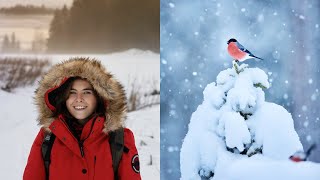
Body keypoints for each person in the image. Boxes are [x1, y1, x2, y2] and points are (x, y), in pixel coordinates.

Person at [23, 58, 141, 180]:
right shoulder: (47, 137)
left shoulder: (119, 138)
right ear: (63, 98)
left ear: (99, 97)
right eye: (72, 92)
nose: (79, 98)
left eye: (87, 92)